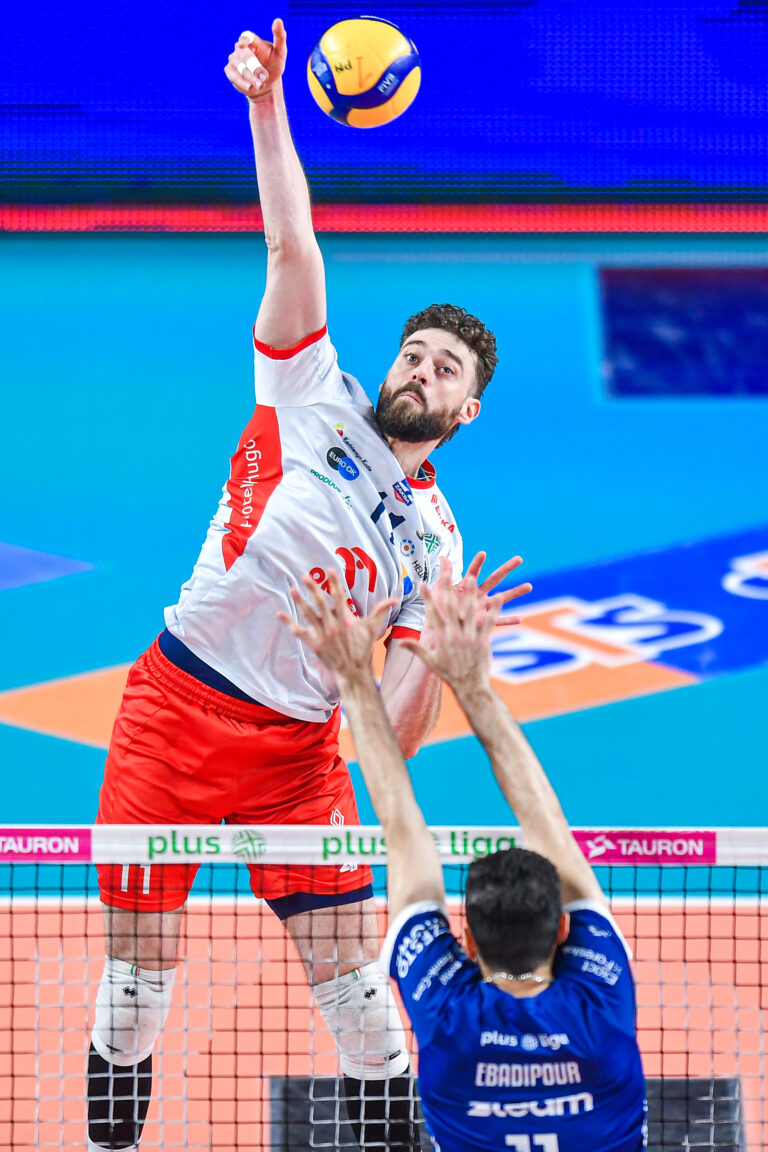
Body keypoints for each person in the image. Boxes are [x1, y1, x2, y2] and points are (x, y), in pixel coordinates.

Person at [85, 19, 533, 1152]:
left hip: (298, 760)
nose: (420, 371)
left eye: (445, 370)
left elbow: (398, 736)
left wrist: (441, 659)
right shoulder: (311, 391)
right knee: (134, 990)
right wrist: (267, 106)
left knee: (366, 1008)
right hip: (175, 711)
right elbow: (293, 248)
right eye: (414, 353)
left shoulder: (438, 545)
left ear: (467, 411)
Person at [284, 563, 647, 1152]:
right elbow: (544, 822)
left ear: (469, 941)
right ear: (562, 930)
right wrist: (473, 684)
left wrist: (353, 678)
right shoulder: (600, 1009)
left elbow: (400, 827)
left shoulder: (448, 1018)